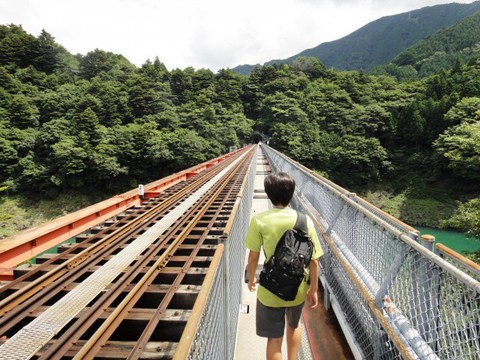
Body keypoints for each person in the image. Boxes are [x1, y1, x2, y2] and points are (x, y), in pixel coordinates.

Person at [246, 172, 324, 360]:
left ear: (268, 193)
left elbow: (253, 256)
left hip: (270, 289)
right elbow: (314, 260)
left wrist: (251, 278)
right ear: (291, 193)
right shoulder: (305, 221)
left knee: (274, 337)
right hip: (296, 288)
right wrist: (313, 289)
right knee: (294, 326)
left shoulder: (259, 220)